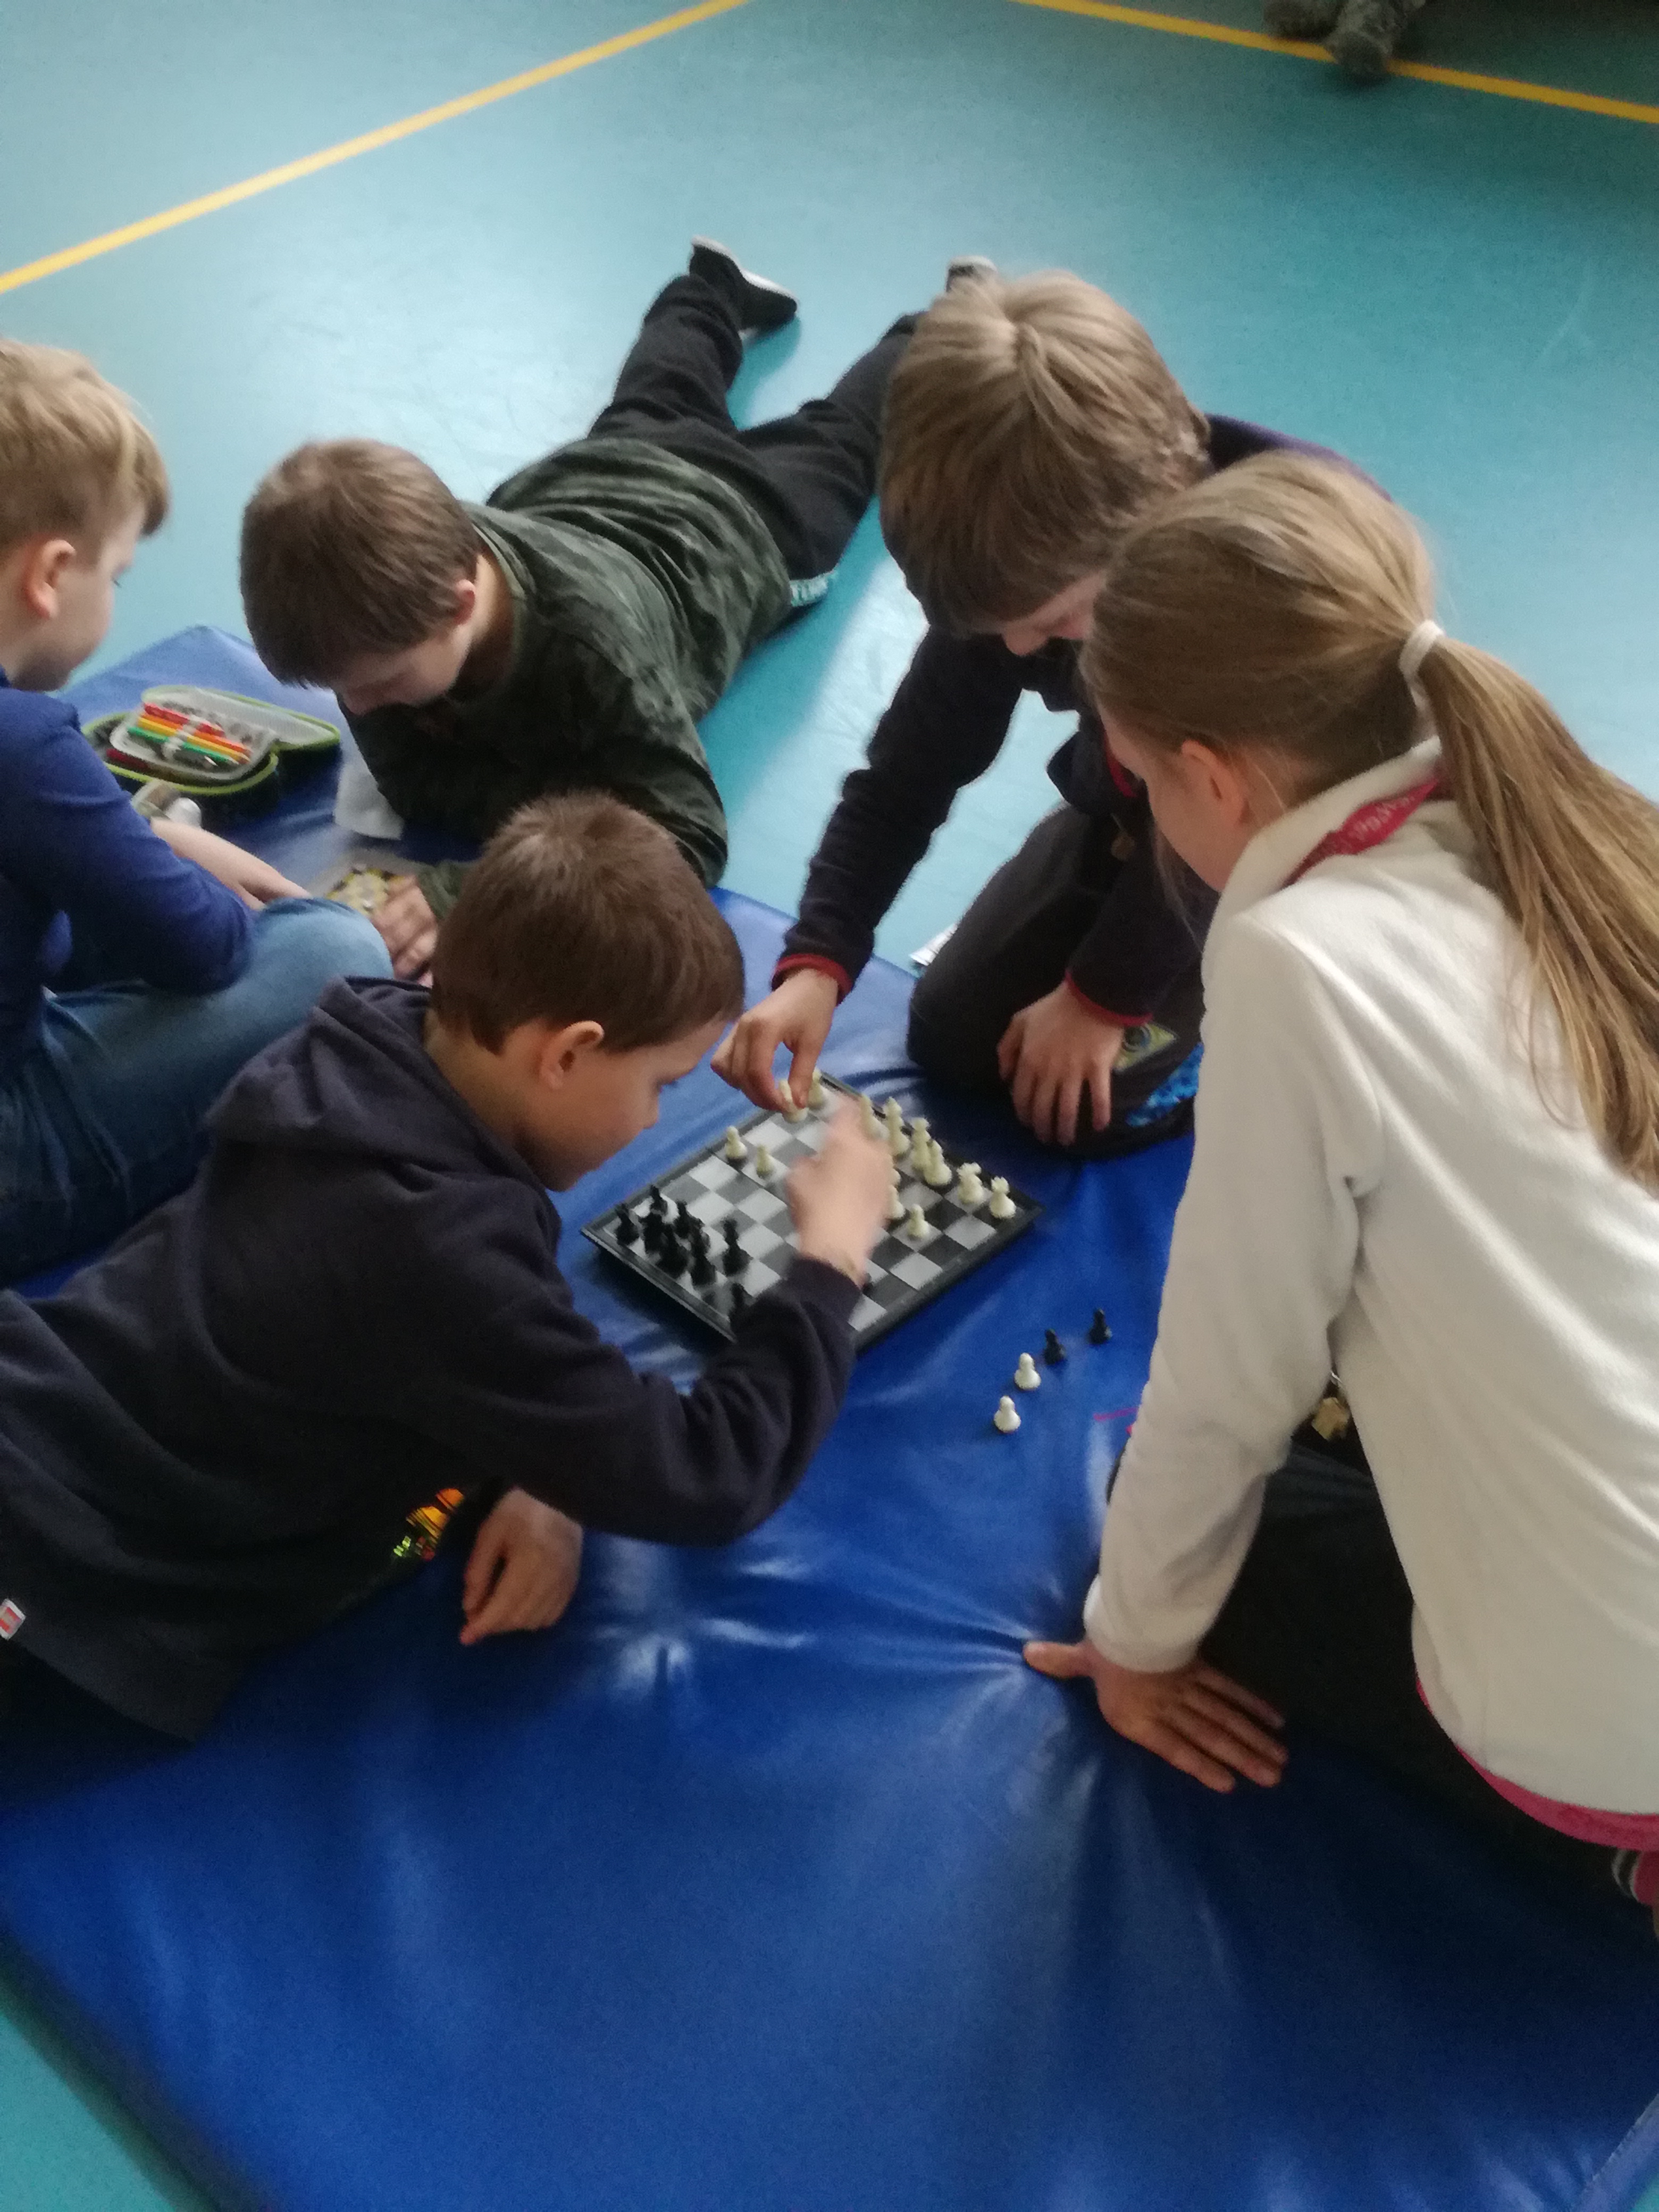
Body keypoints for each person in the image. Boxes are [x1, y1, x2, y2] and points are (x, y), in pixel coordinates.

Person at [1024, 453, 1659, 1921]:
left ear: (1216, 776)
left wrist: (1135, 1645)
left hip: (1620, 1701)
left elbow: (1227, 1386)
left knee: (1198, 1513)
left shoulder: (1299, 966)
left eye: (1143, 781)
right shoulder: (1579, 830)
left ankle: (1616, 1850)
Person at [0, 795, 892, 1740]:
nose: (650, 1121)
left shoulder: (367, 1042)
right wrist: (830, 1261)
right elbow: (706, 1473)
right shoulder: (438, 1248)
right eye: (659, 1087)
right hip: (52, 1564)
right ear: (568, 1054)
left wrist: (537, 1471)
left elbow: (424, 1353)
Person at [715, 268, 1352, 1156]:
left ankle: (1248, 1035)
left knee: (1089, 1109)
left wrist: (1103, 998)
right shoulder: (1027, 551)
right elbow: (908, 774)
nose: (1019, 650)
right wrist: (820, 958)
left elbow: (1243, 833)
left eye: (1053, 624)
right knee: (953, 1040)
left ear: (1154, 522)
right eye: (998, 629)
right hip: (1144, 804)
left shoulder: (1288, 591)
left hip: (1288, 854)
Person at [239, 240, 919, 980]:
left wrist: (489, 887)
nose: (362, 707)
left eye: (380, 685)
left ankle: (937, 332)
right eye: (345, 689)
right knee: (662, 381)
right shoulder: (402, 591)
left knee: (841, 438)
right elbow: (413, 784)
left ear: (460, 606)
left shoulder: (597, 654)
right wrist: (566, 798)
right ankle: (712, 284)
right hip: (602, 468)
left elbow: (690, 838)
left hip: (746, 528)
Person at [0, 340, 387, 1287]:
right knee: (336, 953)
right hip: (14, 1160)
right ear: (50, 574)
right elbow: (202, 950)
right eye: (116, 575)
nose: (114, 595)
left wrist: (137, 839)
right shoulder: (24, 747)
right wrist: (170, 864)